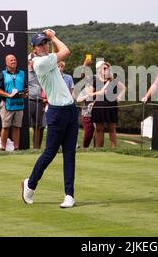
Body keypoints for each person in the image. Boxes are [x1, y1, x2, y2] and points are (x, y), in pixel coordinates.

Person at [21, 29, 78, 209]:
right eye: (41, 44)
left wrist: (51, 39)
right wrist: (53, 36)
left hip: (70, 110)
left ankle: (69, 195)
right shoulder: (40, 63)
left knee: (70, 154)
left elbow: (57, 52)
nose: (44, 46)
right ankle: (30, 185)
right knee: (49, 153)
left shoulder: (48, 58)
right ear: (34, 49)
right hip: (56, 112)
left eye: (45, 43)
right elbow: (66, 51)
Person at [0, 54, 28, 151]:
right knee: (5, 127)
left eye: (14, 60)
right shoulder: (2, 74)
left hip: (19, 103)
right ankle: (3, 148)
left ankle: (16, 148)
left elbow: (26, 88)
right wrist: (8, 95)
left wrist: (25, 94)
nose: (14, 62)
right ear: (6, 63)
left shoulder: (22, 73)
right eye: (11, 60)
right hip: (6, 104)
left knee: (17, 127)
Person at [89, 61, 126, 148]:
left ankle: (114, 149)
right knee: (99, 129)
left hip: (111, 106)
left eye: (108, 68)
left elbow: (124, 88)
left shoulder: (113, 80)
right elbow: (90, 93)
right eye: (104, 68)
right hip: (98, 106)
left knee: (112, 128)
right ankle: (99, 149)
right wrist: (100, 92)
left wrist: (119, 98)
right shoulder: (95, 80)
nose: (106, 70)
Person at [76, 57, 95, 148]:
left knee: (98, 130)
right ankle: (85, 147)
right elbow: (78, 99)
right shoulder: (86, 88)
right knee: (88, 132)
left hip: (98, 109)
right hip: (87, 111)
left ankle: (97, 149)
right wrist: (84, 65)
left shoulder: (97, 81)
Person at [28, 53, 45, 149]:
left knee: (38, 126)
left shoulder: (39, 72)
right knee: (27, 124)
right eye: (34, 60)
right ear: (30, 61)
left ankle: (36, 148)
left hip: (39, 101)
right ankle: (25, 146)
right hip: (29, 100)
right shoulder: (26, 73)